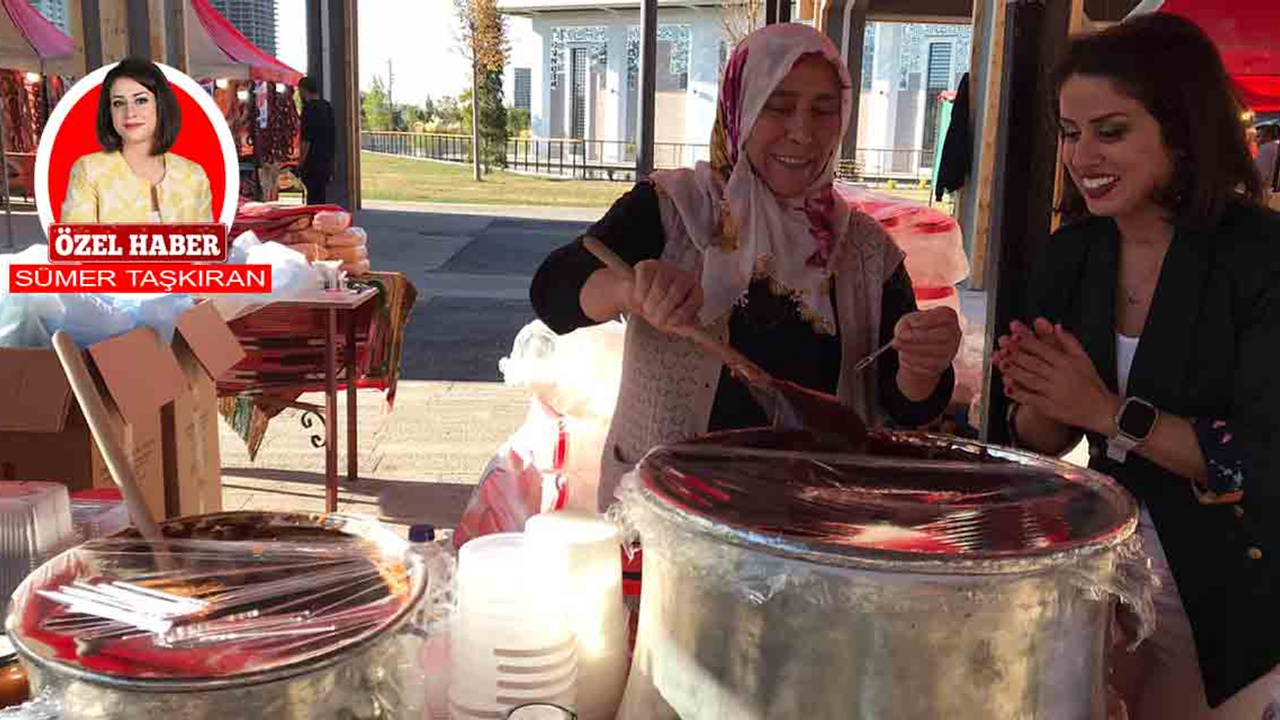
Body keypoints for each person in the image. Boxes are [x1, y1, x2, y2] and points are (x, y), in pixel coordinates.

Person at [531, 24, 961, 510]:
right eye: (777, 106)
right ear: (740, 106)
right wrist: (627, 291)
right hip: (671, 519)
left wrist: (922, 365)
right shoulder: (671, 209)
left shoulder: (866, 252)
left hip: (815, 527)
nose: (802, 131)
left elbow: (908, 405)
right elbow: (553, 291)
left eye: (823, 110)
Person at [992, 14, 1280, 719]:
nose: (1081, 154)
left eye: (1111, 131)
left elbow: (1258, 460)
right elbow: (1041, 439)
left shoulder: (1258, 256)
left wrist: (1104, 411)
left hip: (1231, 585)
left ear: (1182, 134)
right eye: (1069, 132)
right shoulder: (1076, 254)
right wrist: (1038, 395)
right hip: (1101, 565)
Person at [61, 57, 212, 223]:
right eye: (119, 103)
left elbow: (207, 245)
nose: (130, 113)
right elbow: (75, 244)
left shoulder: (193, 175)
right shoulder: (89, 171)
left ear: (160, 105)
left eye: (141, 100)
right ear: (109, 112)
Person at [298, 76, 336, 205]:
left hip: (312, 161)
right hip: (326, 159)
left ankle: (315, 219)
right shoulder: (327, 107)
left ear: (303, 90)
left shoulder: (308, 110)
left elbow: (306, 140)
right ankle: (321, 218)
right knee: (321, 194)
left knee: (312, 196)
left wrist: (301, 162)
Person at [1254, 123, 1279, 195]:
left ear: (1268, 136)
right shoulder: (1275, 146)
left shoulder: (1265, 148)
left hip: (1265, 189)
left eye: (1259, 135)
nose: (1257, 139)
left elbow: (1260, 173)